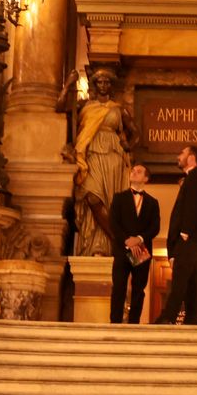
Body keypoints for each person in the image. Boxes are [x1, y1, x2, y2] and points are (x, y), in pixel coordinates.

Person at [69, 68, 134, 258]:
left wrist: (128, 145)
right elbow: (60, 107)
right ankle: (122, 244)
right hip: (92, 153)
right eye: (100, 82)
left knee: (111, 203)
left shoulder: (118, 108)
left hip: (113, 156)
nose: (104, 85)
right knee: (92, 197)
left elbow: (135, 132)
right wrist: (67, 85)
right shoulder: (86, 106)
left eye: (107, 82)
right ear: (94, 85)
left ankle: (105, 248)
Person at [153, 145, 197, 325]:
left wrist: (185, 232)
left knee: (180, 283)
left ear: (191, 157)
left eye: (182, 153)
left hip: (190, 244)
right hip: (196, 247)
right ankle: (194, 318)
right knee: (196, 285)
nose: (178, 155)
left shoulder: (195, 178)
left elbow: (192, 207)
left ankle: (168, 317)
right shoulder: (195, 178)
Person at [107, 163, 160, 324]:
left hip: (142, 249)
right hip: (123, 249)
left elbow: (155, 227)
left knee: (138, 289)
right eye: (133, 171)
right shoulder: (119, 197)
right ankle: (115, 322)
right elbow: (113, 223)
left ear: (146, 178)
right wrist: (127, 240)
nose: (134, 173)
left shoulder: (152, 202)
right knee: (119, 287)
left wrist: (139, 239)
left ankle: (134, 323)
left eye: (138, 172)